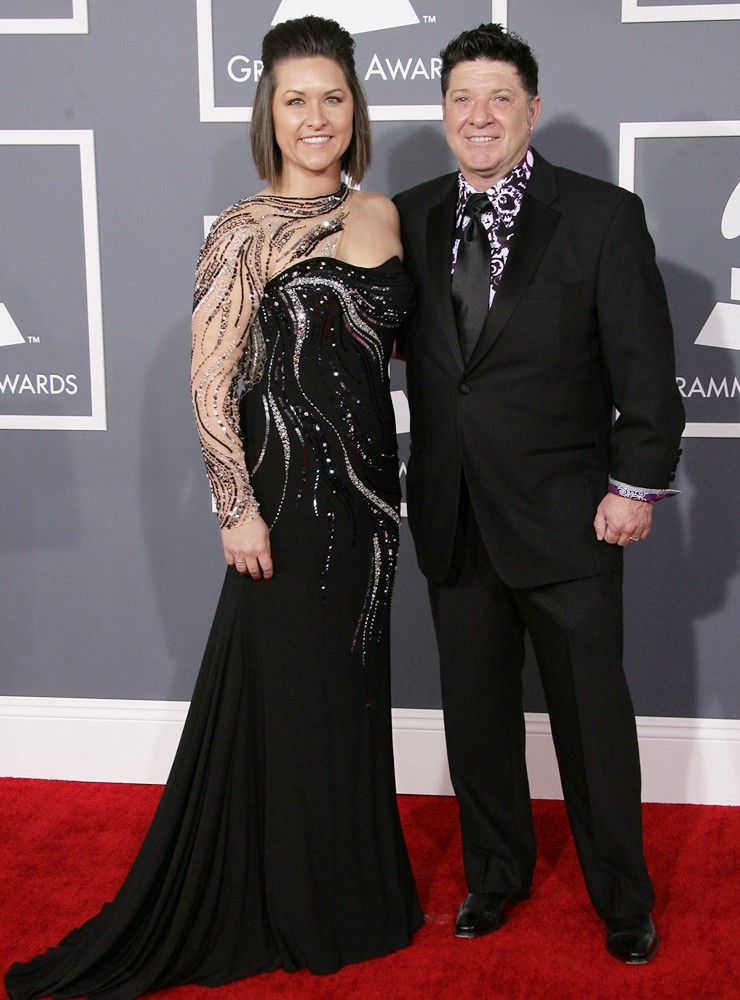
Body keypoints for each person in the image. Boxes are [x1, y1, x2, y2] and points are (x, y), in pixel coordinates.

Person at [5, 16, 422, 998]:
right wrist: (236, 508)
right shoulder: (241, 230)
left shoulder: (383, 217)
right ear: (266, 115)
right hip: (287, 501)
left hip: (370, 513)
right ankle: (292, 902)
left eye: (331, 96)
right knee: (292, 700)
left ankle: (353, 895)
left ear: (353, 107)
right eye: (293, 100)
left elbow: (378, 348)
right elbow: (210, 380)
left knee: (351, 701)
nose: (314, 116)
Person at [393, 23, 684, 964]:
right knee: (476, 718)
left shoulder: (601, 215)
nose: (479, 117)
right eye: (461, 101)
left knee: (592, 722)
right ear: (443, 112)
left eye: (498, 99)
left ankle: (622, 897)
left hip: (571, 518)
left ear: (532, 109)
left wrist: (634, 485)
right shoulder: (410, 215)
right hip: (453, 513)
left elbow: (646, 371)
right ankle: (495, 876)